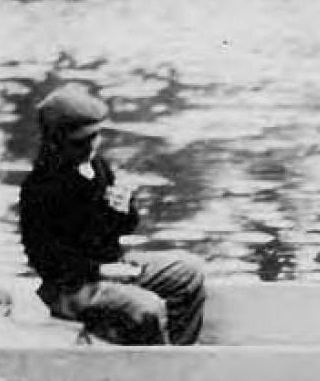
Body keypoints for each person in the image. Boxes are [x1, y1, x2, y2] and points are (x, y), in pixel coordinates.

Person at [19, 84, 205, 345]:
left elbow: (119, 230)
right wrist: (101, 270)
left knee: (188, 273)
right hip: (70, 288)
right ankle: (155, 366)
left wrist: (124, 210)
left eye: (95, 137)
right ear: (56, 141)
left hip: (112, 266)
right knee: (146, 308)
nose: (91, 146)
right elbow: (43, 259)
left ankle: (175, 352)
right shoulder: (41, 187)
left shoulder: (98, 167)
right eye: (80, 141)